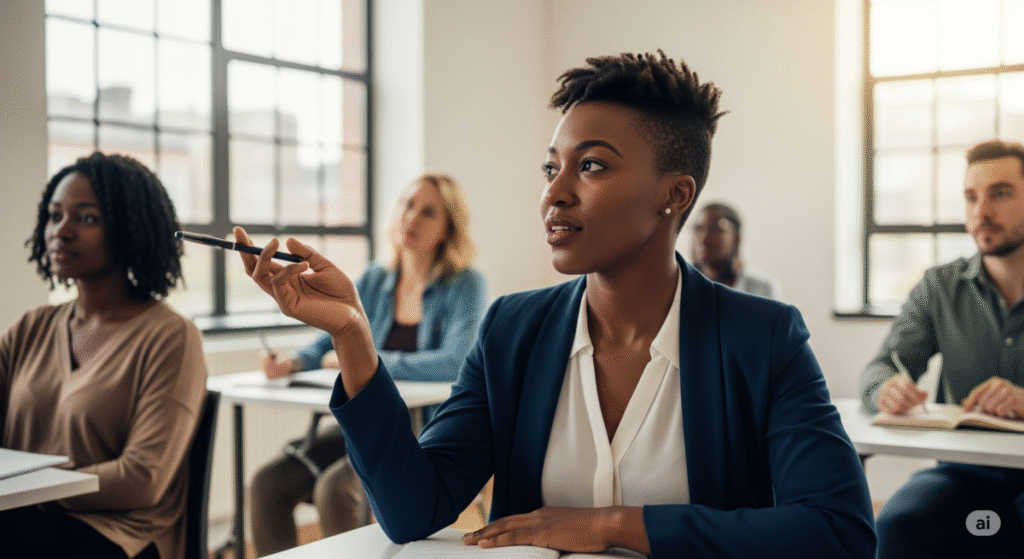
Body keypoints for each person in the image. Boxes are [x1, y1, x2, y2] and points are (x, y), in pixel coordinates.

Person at [234, 51, 875, 558]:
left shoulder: (761, 338)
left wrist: (614, 527)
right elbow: (413, 509)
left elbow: (837, 531)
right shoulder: (516, 329)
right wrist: (352, 335)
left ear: (674, 195)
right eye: (551, 169)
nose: (555, 196)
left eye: (591, 167)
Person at [249, 173, 488, 556]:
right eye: (408, 205)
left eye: (428, 212)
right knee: (267, 483)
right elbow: (328, 336)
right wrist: (293, 361)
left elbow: (454, 362)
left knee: (334, 489)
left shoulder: (466, 284)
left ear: (447, 229)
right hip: (365, 425)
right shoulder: (374, 280)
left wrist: (367, 358)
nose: (412, 217)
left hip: (423, 429)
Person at [0, 153, 208, 559]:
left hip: (118, 536)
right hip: (21, 518)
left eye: (87, 218)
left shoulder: (170, 337)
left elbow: (141, 478)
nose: (62, 231)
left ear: (129, 231)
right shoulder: (31, 327)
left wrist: (34, 489)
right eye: (54, 215)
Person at [859, 139, 1024, 558]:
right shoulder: (939, 287)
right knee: (896, 529)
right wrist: (887, 390)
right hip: (964, 473)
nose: (980, 212)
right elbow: (879, 368)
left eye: (1000, 194)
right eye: (971, 196)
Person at [691, 202, 782, 299]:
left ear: (736, 238)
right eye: (698, 229)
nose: (703, 237)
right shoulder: (679, 286)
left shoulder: (762, 288)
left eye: (714, 228)